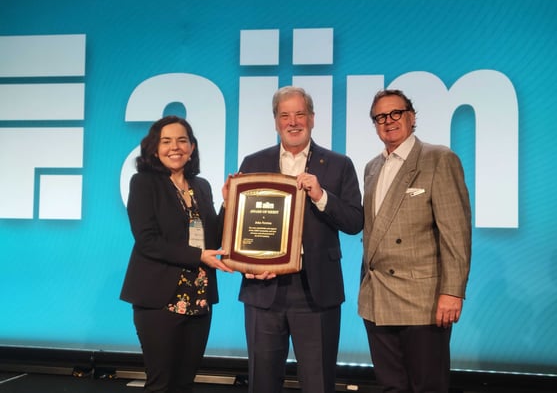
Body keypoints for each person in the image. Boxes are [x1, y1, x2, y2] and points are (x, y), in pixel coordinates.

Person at [224, 86, 363, 393]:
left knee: (318, 383)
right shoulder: (253, 162)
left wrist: (322, 196)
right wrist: (228, 204)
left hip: (316, 292)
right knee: (261, 382)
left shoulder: (339, 164)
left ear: (312, 118)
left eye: (300, 114)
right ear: (276, 122)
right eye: (285, 115)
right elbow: (235, 228)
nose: (293, 122)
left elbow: (355, 221)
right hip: (263, 288)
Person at [358, 89, 472, 393]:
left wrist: (452, 292)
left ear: (412, 117)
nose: (389, 121)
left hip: (424, 299)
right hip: (378, 298)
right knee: (391, 386)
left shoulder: (438, 159)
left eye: (396, 113)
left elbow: (456, 233)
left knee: (428, 386)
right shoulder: (371, 167)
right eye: (380, 117)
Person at [120, 115, 233, 393]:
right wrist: (198, 258)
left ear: (192, 147)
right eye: (166, 141)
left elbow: (212, 238)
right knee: (161, 384)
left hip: (199, 297)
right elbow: (147, 241)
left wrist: (230, 204)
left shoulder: (201, 186)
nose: (175, 147)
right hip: (159, 301)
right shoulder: (144, 183)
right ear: (154, 148)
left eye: (182, 140)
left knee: (184, 384)